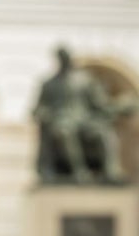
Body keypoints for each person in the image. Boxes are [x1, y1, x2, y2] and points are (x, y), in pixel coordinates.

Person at [32, 46, 131, 184]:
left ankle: (111, 170)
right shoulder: (49, 84)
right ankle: (79, 172)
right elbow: (39, 107)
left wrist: (120, 106)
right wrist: (43, 113)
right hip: (61, 120)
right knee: (64, 131)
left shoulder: (85, 81)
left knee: (103, 132)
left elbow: (100, 103)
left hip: (84, 120)